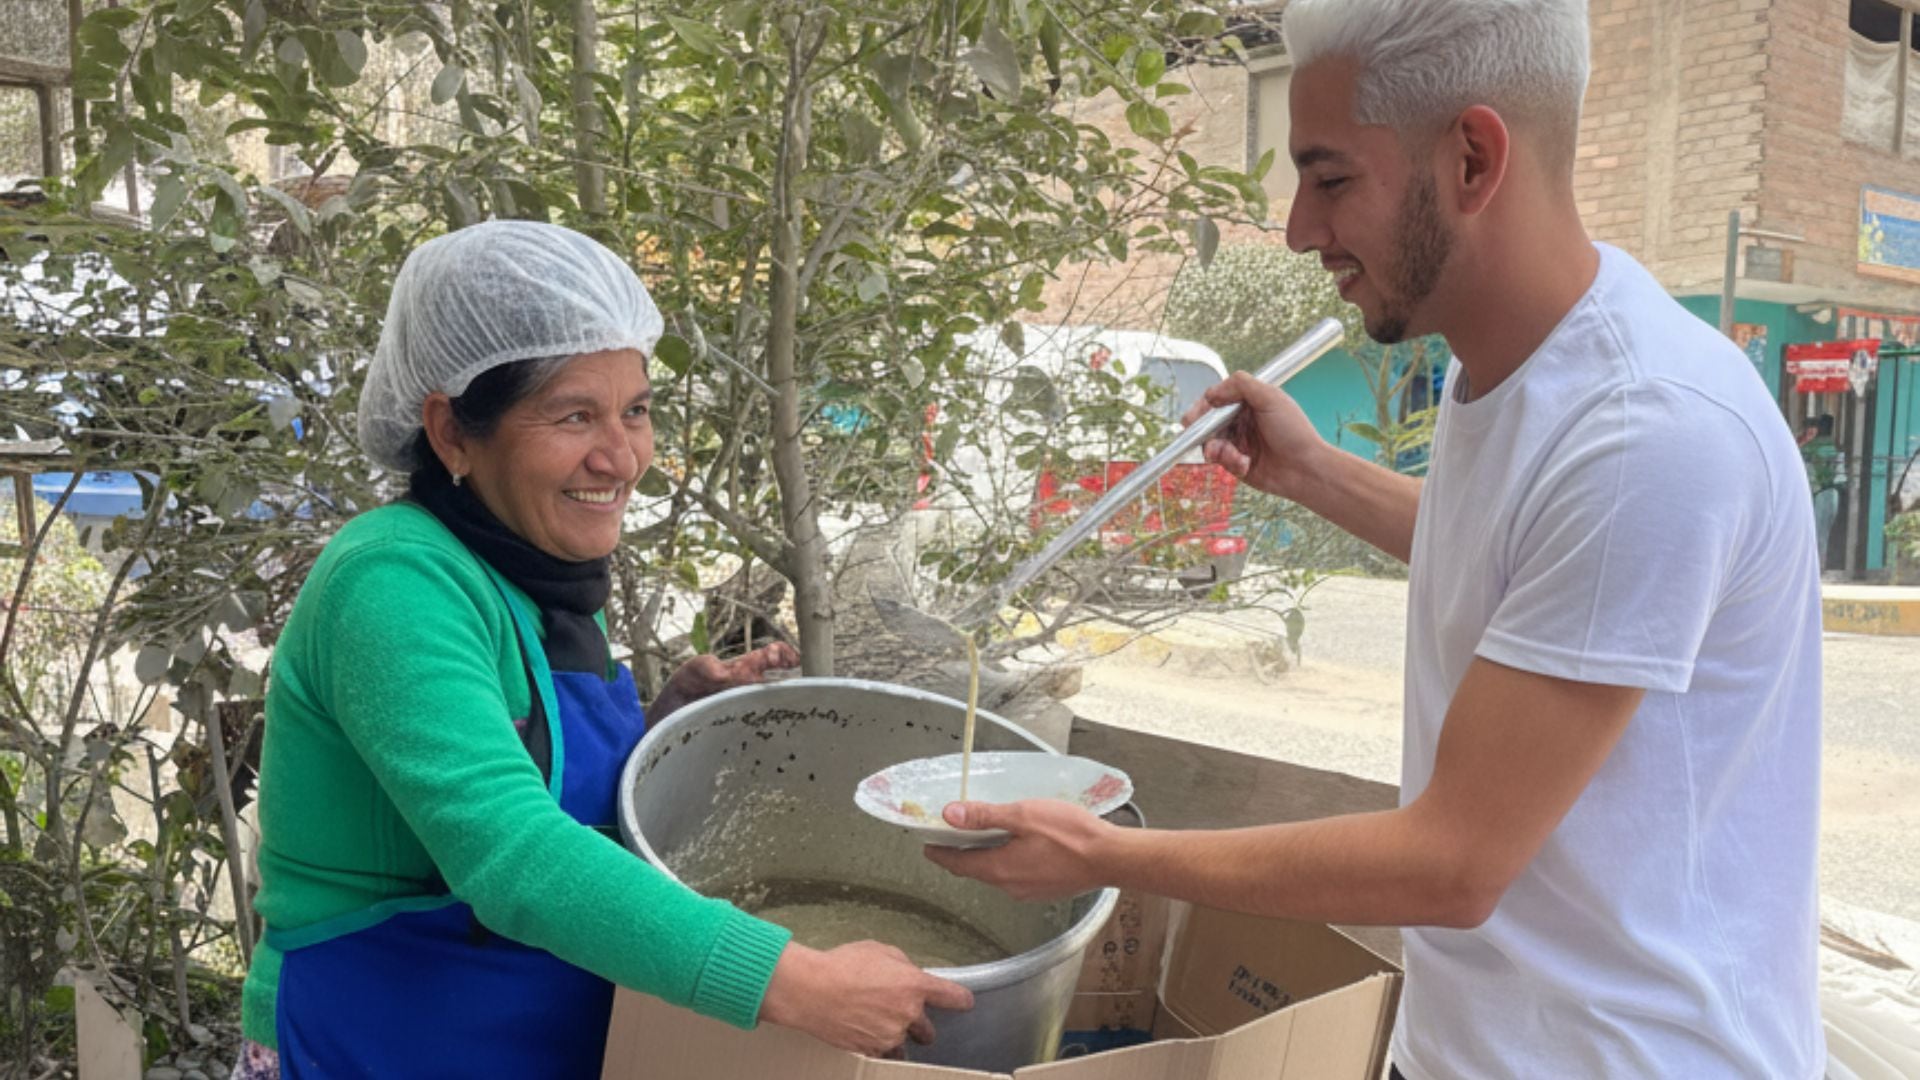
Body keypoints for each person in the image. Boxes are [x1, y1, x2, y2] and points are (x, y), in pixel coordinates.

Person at [926, 2, 1824, 1077]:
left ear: (1474, 159)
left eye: (1332, 178)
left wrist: (1109, 855)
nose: (1301, 229)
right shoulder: (1501, 365)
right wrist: (1310, 472)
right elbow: (1518, 569)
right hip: (1475, 1046)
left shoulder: (1649, 434)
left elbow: (1452, 863)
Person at [235, 220, 970, 1079]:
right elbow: (510, 851)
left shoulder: (529, 570)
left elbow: (535, 783)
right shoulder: (391, 581)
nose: (621, 457)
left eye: (636, 410)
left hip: (522, 1044)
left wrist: (665, 725)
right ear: (449, 432)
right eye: (574, 414)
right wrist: (796, 979)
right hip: (377, 1040)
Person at [1801, 414, 1844, 570]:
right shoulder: (1836, 446)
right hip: (1834, 493)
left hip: (1819, 494)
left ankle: (1816, 567)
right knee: (1825, 531)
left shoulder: (1810, 447)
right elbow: (1841, 477)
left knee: (1817, 533)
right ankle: (1821, 565)